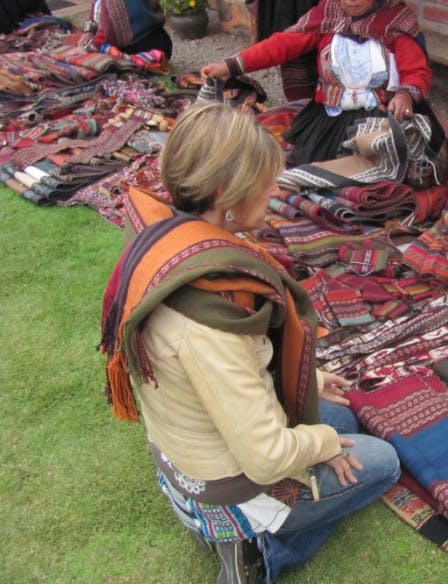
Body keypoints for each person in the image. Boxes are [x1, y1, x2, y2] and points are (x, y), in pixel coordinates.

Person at [100, 103, 400, 583]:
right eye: (266, 180)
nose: (275, 190)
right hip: (225, 488)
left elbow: (233, 375)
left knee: (341, 415)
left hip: (190, 456)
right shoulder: (207, 322)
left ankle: (236, 535)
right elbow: (265, 457)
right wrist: (321, 443)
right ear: (227, 196)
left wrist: (312, 381)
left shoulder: (165, 245)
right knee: (382, 463)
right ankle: (256, 556)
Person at [202, 0, 439, 167]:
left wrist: (405, 94)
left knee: (375, 175)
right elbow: (281, 45)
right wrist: (231, 65)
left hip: (379, 116)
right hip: (331, 116)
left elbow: (416, 70)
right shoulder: (327, 14)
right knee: (312, 169)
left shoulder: (395, 21)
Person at [85, 0, 173, 59]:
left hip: (145, 49)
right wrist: (89, 31)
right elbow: (97, 6)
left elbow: (110, 26)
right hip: (132, 45)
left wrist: (89, 48)